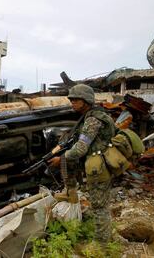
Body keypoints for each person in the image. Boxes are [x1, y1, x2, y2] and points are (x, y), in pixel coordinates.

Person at [49, 84, 116, 244]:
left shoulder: (93, 119)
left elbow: (80, 149)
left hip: (100, 166)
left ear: (86, 100)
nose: (72, 102)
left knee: (100, 206)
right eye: (71, 99)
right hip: (96, 163)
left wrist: (61, 158)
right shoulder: (88, 116)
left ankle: (101, 245)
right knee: (98, 204)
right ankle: (70, 190)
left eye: (75, 100)